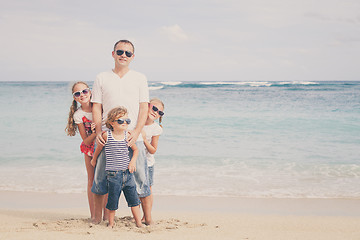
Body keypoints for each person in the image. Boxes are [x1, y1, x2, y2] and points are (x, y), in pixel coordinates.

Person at [91, 39, 152, 225]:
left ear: (133, 57)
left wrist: (137, 131)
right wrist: (100, 131)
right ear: (113, 54)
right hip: (107, 137)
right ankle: (98, 218)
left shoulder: (140, 78)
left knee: (141, 179)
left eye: (127, 53)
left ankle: (148, 219)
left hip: (132, 136)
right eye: (120, 52)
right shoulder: (102, 77)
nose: (123, 55)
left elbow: (143, 108)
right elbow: (96, 107)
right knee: (101, 178)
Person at [91, 107, 142, 228]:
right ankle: (111, 223)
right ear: (111, 123)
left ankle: (139, 223)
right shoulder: (106, 136)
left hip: (128, 174)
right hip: (113, 175)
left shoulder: (127, 136)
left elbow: (135, 150)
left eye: (127, 120)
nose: (124, 123)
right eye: (120, 121)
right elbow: (98, 149)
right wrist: (94, 159)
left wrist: (133, 162)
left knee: (134, 200)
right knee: (112, 201)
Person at [65, 81, 96, 220]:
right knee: (91, 180)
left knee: (105, 181)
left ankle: (106, 215)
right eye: (77, 94)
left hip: (104, 147)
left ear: (90, 92)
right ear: (75, 98)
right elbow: (86, 141)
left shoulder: (99, 108)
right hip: (89, 150)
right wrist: (96, 132)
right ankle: (93, 214)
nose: (82, 95)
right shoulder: (78, 115)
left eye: (84, 91)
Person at [141, 98, 164, 223]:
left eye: (160, 112)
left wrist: (144, 140)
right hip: (135, 161)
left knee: (147, 190)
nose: (156, 112)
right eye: (154, 108)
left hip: (147, 163)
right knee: (136, 189)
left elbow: (153, 150)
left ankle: (146, 216)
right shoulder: (136, 122)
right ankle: (139, 215)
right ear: (147, 106)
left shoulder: (156, 129)